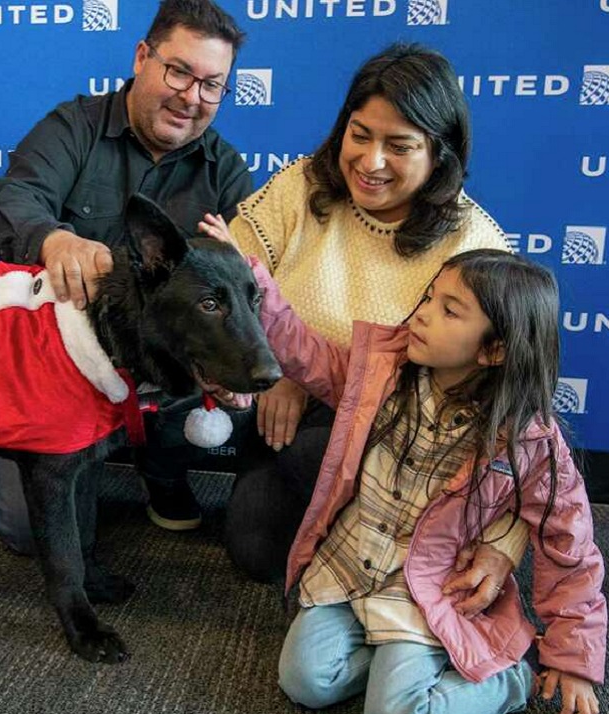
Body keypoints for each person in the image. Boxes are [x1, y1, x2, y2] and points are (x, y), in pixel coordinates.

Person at [199, 43, 522, 588]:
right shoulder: (300, 186)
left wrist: (317, 385)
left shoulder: (476, 243)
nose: (370, 162)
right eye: (359, 135)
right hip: (285, 411)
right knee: (254, 548)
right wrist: (276, 368)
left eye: (399, 145)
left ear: (439, 153)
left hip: (400, 434)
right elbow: (235, 275)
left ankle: (392, 550)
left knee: (312, 456)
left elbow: (499, 400)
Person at [251, 249, 607, 714]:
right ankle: (404, 663)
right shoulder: (379, 374)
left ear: (494, 349)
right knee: (307, 682)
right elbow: (304, 352)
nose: (422, 313)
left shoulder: (527, 438)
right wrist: (251, 279)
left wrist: (573, 657)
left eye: (449, 310)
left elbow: (570, 545)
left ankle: (508, 679)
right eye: (429, 297)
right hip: (349, 568)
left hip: (425, 589)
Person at [0, 0, 252, 554]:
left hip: (164, 374)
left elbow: (252, 279)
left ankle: (164, 472)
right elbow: (10, 200)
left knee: (247, 373)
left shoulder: (226, 169)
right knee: (24, 532)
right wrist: (53, 239)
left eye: (212, 85)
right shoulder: (72, 128)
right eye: (179, 72)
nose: (191, 97)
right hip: (61, 369)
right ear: (142, 56)